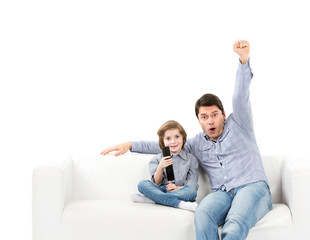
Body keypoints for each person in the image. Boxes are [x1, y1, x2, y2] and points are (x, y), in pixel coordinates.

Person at [101, 40, 272, 240]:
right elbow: (167, 144)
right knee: (203, 213)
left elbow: (240, 95)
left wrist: (243, 60)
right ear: (198, 120)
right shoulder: (196, 144)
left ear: (223, 115)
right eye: (204, 117)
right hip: (222, 193)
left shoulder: (240, 124)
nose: (210, 121)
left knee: (234, 224)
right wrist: (130, 145)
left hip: (252, 186)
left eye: (214, 115)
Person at [130, 120, 199, 212]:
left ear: (183, 139)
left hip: (180, 191)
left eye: (177, 137)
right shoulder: (157, 159)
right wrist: (161, 167)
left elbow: (192, 185)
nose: (173, 141)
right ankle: (179, 203)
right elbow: (156, 182)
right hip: (160, 189)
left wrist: (177, 188)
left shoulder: (191, 159)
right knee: (142, 184)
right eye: (168, 138)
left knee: (192, 192)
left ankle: (153, 199)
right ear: (163, 142)